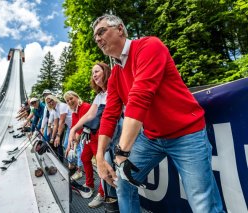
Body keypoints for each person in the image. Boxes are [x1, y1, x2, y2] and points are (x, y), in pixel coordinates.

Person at [92, 14, 224, 213]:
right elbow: (109, 116)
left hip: (187, 133)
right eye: (95, 37)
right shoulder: (115, 76)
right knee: (123, 183)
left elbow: (140, 96)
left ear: (120, 29)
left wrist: (120, 156)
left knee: (203, 203)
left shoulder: (149, 46)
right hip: (151, 137)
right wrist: (100, 156)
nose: (98, 39)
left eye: (102, 31)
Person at [68, 62, 116, 208]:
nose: (94, 75)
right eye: (92, 73)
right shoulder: (100, 96)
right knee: (97, 163)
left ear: (106, 72)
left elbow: (91, 116)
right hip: (103, 136)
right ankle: (96, 188)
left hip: (111, 137)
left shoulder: (115, 88)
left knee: (106, 166)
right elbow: (90, 116)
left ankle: (103, 193)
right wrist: (73, 130)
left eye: (97, 71)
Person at [63, 91, 89, 182]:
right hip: (87, 136)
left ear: (77, 97)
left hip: (94, 135)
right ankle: (87, 179)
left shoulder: (84, 107)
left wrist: (74, 144)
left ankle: (79, 171)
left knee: (84, 155)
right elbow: (73, 127)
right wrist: (70, 145)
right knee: (84, 157)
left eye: (71, 98)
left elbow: (81, 127)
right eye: (67, 101)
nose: (69, 101)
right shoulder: (74, 112)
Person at [45, 94, 72, 162]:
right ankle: (71, 163)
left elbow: (62, 122)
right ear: (47, 104)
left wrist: (58, 136)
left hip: (75, 125)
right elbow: (56, 125)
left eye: (52, 100)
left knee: (72, 145)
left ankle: (76, 165)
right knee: (65, 145)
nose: (51, 102)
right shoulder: (54, 110)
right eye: (49, 102)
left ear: (55, 99)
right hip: (70, 127)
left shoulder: (61, 106)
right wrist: (52, 138)